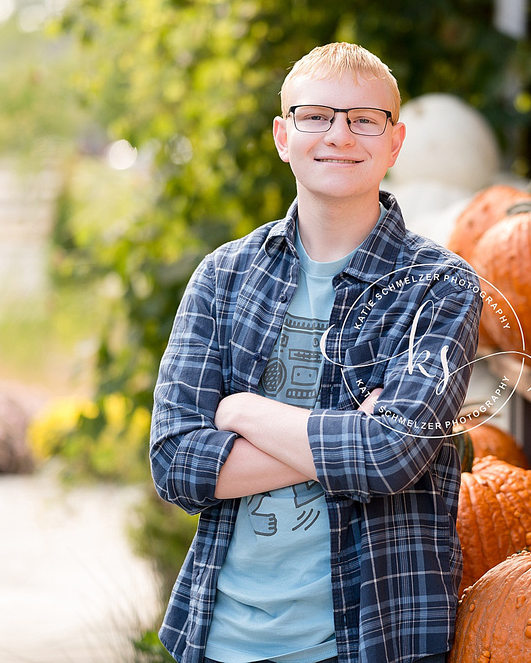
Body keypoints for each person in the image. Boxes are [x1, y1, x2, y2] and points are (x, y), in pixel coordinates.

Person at [150, 42, 483, 663]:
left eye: (364, 119)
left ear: (396, 141)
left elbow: (390, 456)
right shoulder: (224, 277)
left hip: (370, 636)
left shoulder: (440, 287)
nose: (340, 135)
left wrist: (244, 411)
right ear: (284, 135)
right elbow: (175, 463)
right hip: (220, 636)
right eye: (316, 116)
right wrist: (351, 433)